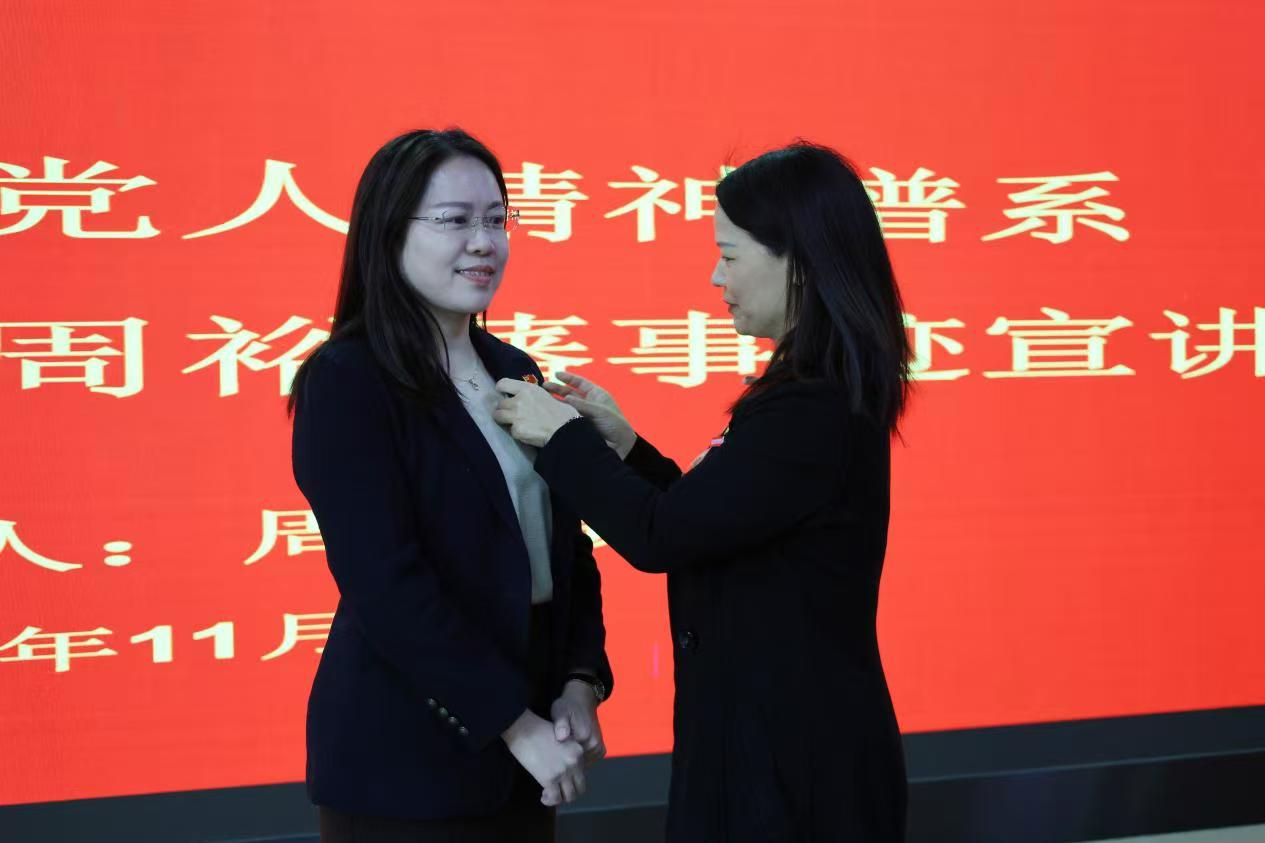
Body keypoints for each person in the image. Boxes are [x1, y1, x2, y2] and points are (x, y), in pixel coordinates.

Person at [494, 141, 911, 842]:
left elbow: (661, 535)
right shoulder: (811, 392)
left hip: (793, 772)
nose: (717, 277)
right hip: (777, 753)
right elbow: (714, 520)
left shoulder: (809, 406)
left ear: (798, 263)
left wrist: (561, 437)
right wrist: (625, 445)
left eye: (730, 254)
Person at [288, 128, 613, 843]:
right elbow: (384, 583)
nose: (483, 242)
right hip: (406, 761)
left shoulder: (514, 368)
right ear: (388, 232)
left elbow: (567, 547)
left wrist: (579, 681)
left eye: (496, 219)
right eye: (454, 220)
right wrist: (512, 723)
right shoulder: (347, 380)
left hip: (532, 749)